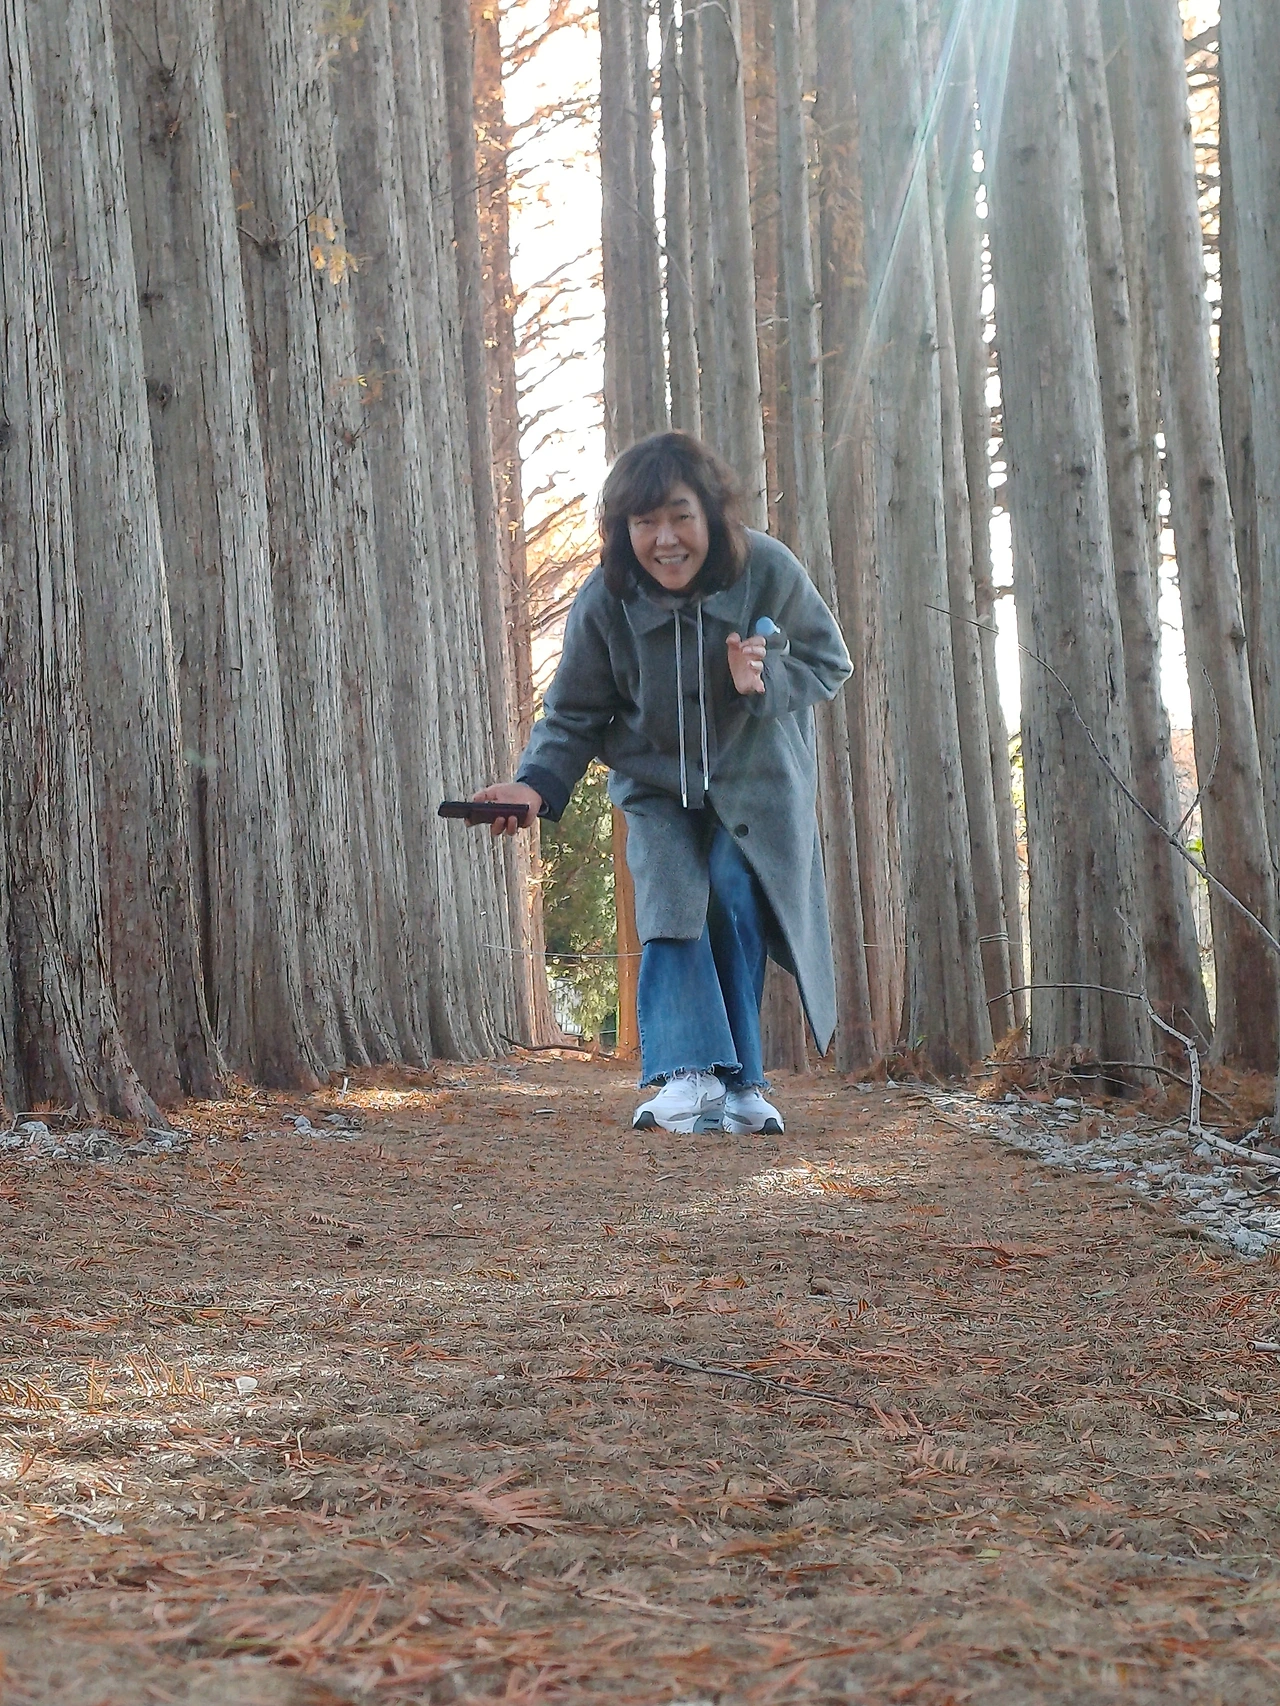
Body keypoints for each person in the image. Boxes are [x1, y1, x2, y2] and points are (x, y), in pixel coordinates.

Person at [473, 431, 853, 1136]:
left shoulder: (766, 568)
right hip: (655, 785)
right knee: (673, 902)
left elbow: (830, 661)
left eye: (680, 516)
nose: (665, 539)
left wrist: (762, 678)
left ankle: (741, 1084)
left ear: (711, 513)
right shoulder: (606, 598)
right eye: (644, 522)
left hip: (756, 780)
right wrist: (534, 786)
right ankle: (687, 1075)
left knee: (732, 890)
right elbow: (574, 712)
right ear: (623, 529)